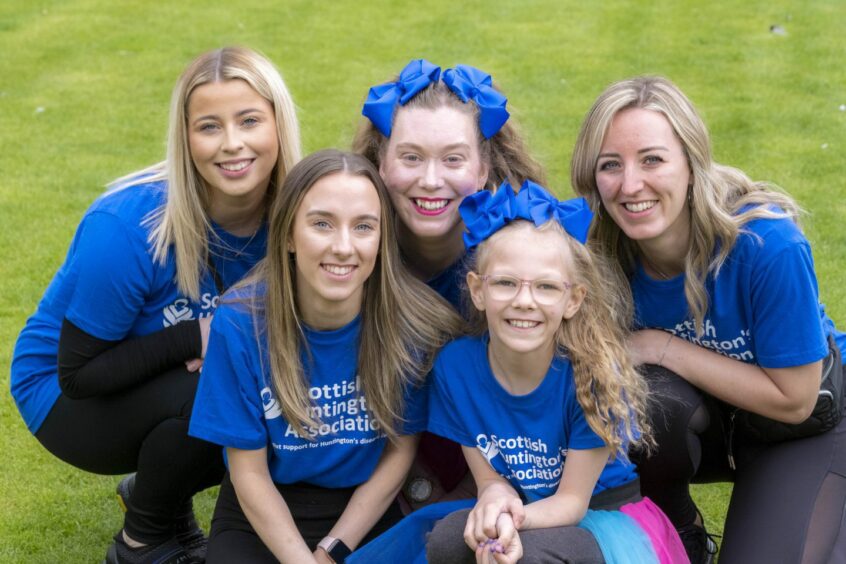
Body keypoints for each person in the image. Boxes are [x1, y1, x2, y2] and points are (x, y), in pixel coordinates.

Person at [10, 46, 301, 563]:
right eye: (209, 126)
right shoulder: (129, 228)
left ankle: (156, 493)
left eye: (250, 120)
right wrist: (198, 337)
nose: (232, 144)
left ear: (280, 124)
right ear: (185, 138)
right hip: (64, 397)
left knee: (274, 382)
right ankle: (142, 541)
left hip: (161, 380)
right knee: (227, 391)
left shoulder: (298, 216)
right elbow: (78, 375)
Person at [571, 75, 846, 564]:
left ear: (692, 163)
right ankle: (680, 528)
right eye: (610, 165)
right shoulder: (592, 249)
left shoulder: (767, 244)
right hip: (703, 420)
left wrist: (660, 346)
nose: (630, 185)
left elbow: (797, 399)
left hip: (801, 422)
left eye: (652, 159)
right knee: (651, 398)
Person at [188, 149, 463, 563]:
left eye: (364, 227)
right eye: (321, 224)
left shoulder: (410, 325)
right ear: (287, 235)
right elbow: (248, 472)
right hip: (265, 504)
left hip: (364, 506)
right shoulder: (241, 322)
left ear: (382, 239)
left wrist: (333, 550)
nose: (343, 247)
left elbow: (398, 452)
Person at [414, 182, 686, 564]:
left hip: (596, 516)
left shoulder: (591, 373)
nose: (524, 301)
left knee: (524, 557)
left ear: (572, 299)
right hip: (523, 507)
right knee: (448, 541)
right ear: (477, 290)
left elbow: (572, 503)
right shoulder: (455, 368)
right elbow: (489, 478)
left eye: (545, 287)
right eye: (506, 283)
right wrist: (494, 498)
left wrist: (509, 521)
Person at [352, 58, 546, 509]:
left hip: (505, 473)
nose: (432, 180)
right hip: (368, 465)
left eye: (453, 159)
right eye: (411, 157)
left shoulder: (520, 253)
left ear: (483, 169)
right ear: (380, 163)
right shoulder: (349, 249)